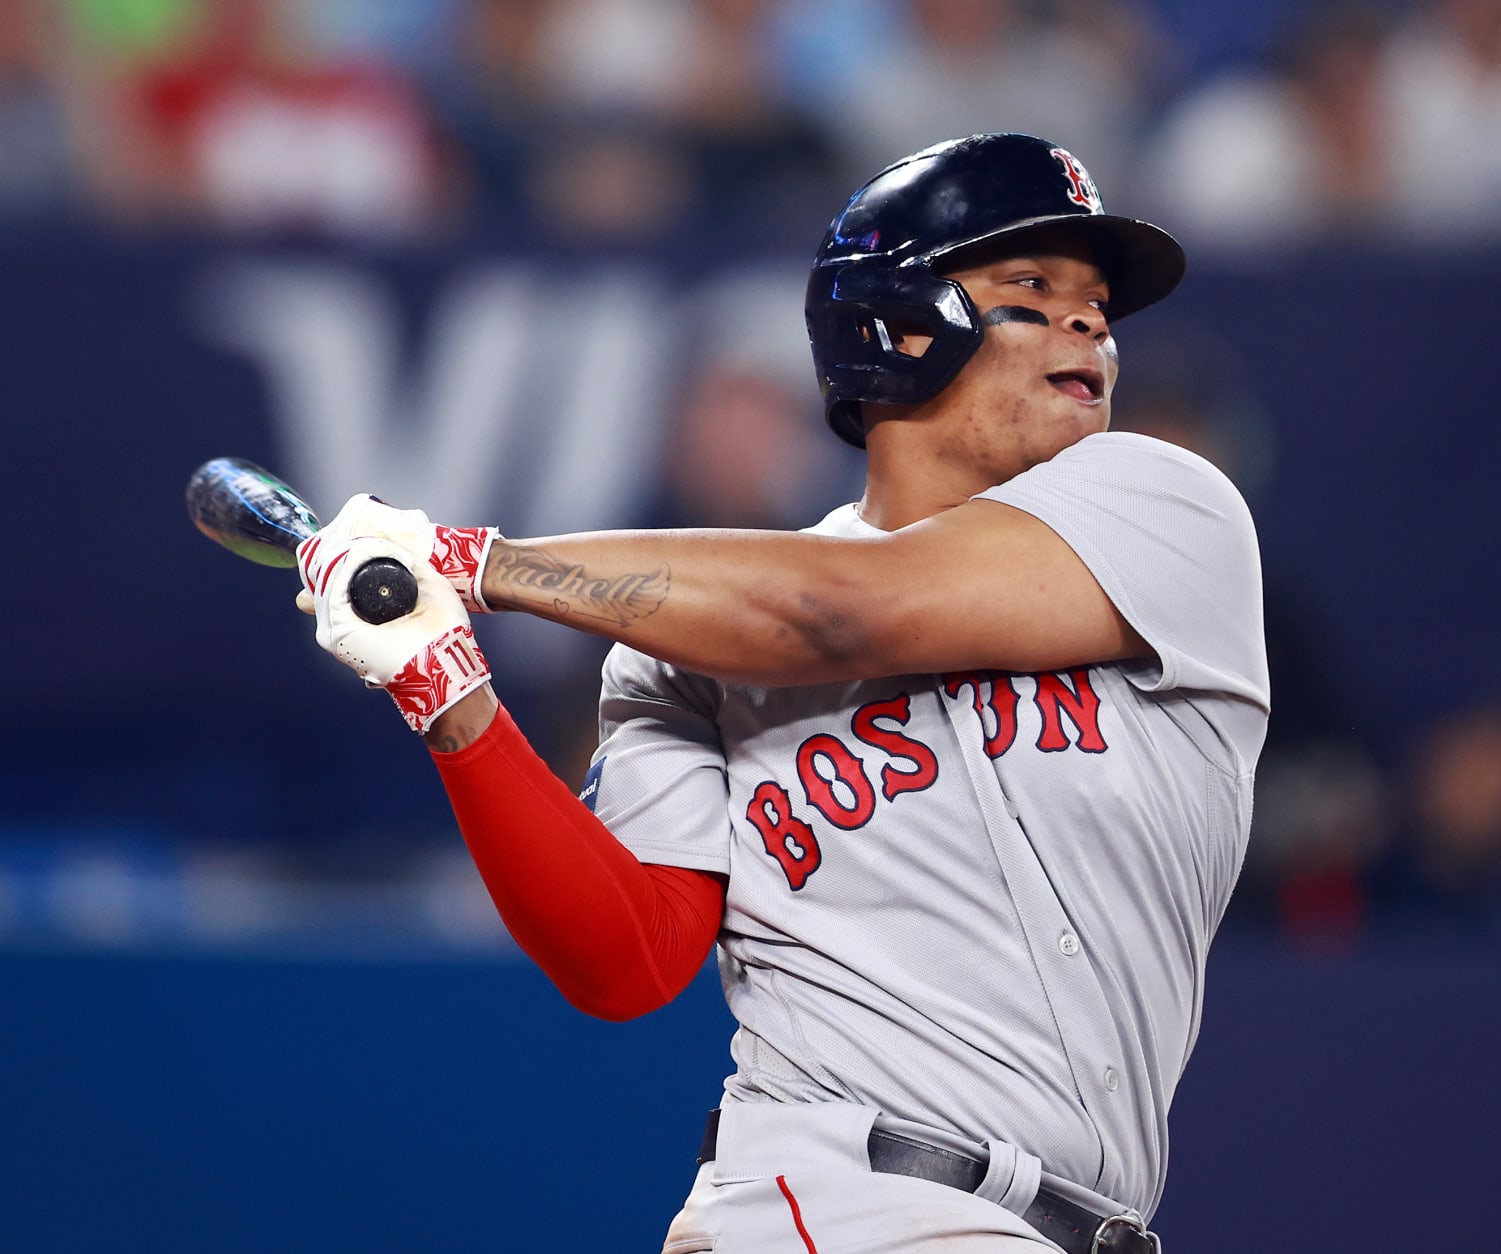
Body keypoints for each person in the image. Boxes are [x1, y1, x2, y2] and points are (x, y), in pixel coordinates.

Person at [294, 133, 1268, 1252]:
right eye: (1032, 289)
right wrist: (450, 698)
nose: (1089, 323)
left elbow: (841, 610)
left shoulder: (1168, 511)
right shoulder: (684, 636)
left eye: (1098, 303)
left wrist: (479, 562)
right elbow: (629, 957)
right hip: (829, 1201)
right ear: (898, 326)